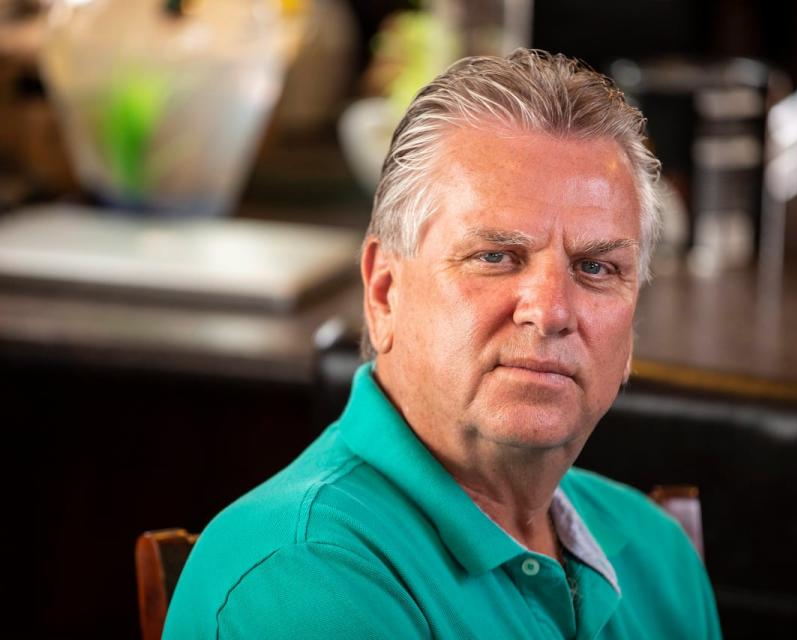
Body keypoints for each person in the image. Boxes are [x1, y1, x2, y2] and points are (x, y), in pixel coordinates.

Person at [164, 49, 721, 639]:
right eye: (495, 257)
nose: (552, 310)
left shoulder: (659, 555)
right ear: (384, 293)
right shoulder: (300, 579)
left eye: (596, 267)